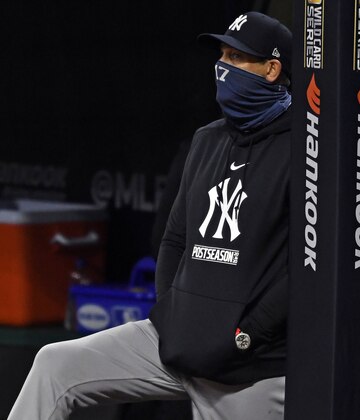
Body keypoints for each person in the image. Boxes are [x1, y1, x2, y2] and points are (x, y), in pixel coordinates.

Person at [9, 11, 292, 420]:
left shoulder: (304, 148)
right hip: (177, 342)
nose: (222, 68)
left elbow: (304, 269)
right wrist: (170, 311)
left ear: (271, 69)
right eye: (222, 56)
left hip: (249, 368)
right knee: (56, 364)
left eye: (236, 58)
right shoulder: (207, 139)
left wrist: (246, 336)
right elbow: (174, 238)